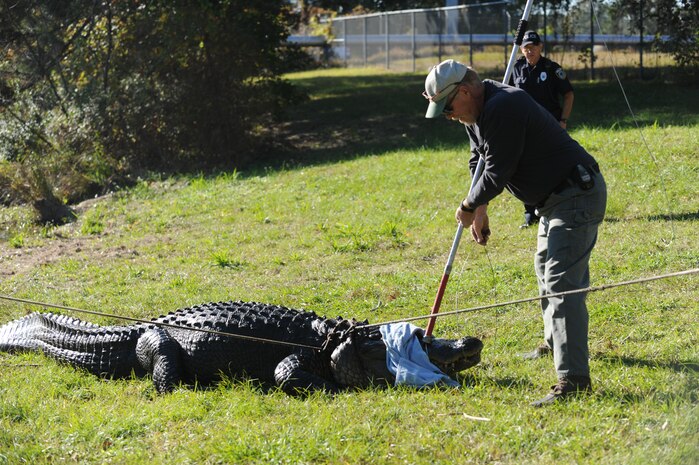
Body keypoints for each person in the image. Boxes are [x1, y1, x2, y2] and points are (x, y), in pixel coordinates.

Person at [422, 59, 606, 406]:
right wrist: (481, 208)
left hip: (576, 195)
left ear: (463, 91)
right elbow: (480, 159)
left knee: (562, 282)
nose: (448, 116)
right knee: (545, 272)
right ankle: (556, 344)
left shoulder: (504, 105)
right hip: (552, 201)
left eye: (447, 108)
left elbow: (498, 169)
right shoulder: (475, 113)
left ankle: (574, 380)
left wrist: (467, 205)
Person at [509, 30, 575, 229]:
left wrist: (563, 120)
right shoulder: (516, 68)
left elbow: (569, 94)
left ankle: (560, 206)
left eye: (533, 47)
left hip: (549, 127)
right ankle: (531, 213)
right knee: (525, 169)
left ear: (540, 47)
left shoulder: (552, 68)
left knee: (554, 166)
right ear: (521, 49)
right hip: (524, 128)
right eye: (526, 48)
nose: (530, 51)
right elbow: (507, 95)